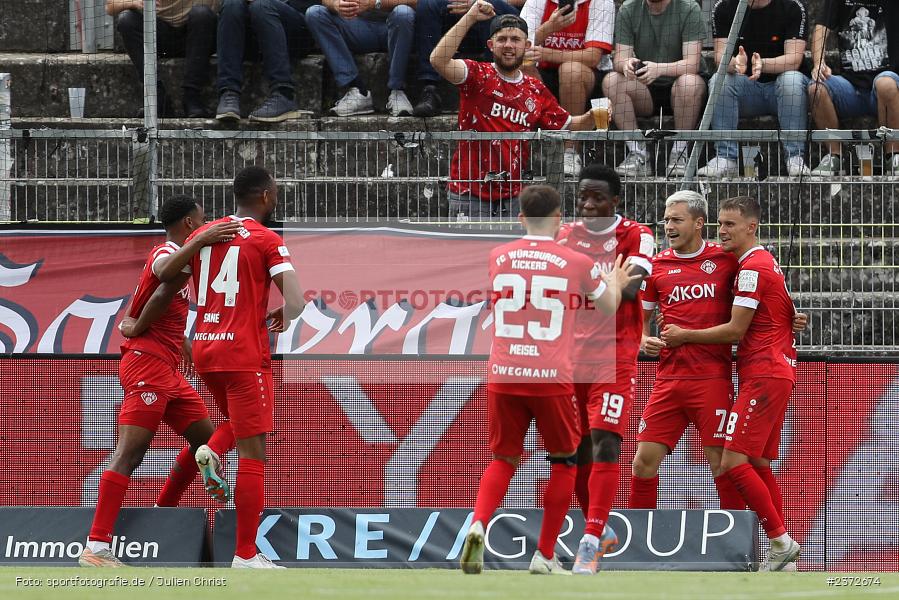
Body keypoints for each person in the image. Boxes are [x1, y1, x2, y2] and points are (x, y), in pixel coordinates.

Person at [459, 184, 635, 575]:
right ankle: (544, 554)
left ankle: (478, 524)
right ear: (559, 219)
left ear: (519, 217)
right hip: (551, 374)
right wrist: (616, 282)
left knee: (503, 457)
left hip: (502, 372)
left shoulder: (497, 255)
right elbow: (608, 307)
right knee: (565, 461)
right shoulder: (574, 261)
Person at [78, 196, 240, 568]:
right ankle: (96, 546)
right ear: (187, 224)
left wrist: (187, 351)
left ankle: (162, 511)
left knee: (207, 441)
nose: (206, 224)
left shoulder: (186, 265)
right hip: (146, 365)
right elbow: (163, 272)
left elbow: (166, 306)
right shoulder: (166, 251)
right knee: (130, 453)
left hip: (168, 369)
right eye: (201, 220)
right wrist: (202, 240)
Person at [661, 196, 806, 572]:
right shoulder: (764, 261)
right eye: (720, 224)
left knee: (732, 461)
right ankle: (783, 556)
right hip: (776, 371)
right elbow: (784, 311)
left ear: (750, 227)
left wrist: (685, 335)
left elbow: (736, 330)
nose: (721, 230)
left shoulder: (750, 269)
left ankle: (780, 542)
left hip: (763, 373)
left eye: (729, 224)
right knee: (756, 462)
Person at [179, 167, 304, 568]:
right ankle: (246, 555)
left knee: (236, 421)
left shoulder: (205, 233)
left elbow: (174, 281)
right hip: (243, 353)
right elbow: (297, 301)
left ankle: (212, 450)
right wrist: (286, 311)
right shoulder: (267, 239)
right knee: (254, 451)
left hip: (204, 349)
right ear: (267, 195)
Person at [555, 162, 653, 575]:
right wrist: (606, 282)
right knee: (575, 451)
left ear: (616, 201)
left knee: (605, 441)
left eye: (597, 197)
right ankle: (597, 529)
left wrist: (593, 283)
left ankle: (591, 540)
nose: (588, 204)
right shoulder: (565, 235)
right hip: (569, 356)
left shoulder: (638, 234)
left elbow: (631, 290)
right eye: (582, 196)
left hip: (615, 355)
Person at [430, 2, 600, 220]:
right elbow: (438, 60)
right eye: (502, 39)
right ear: (491, 45)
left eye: (515, 40)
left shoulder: (535, 89)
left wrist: (591, 117)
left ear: (527, 45)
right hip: (468, 190)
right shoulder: (476, 75)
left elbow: (570, 125)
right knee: (469, 254)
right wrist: (470, 17)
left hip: (512, 195)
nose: (508, 45)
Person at [629, 190, 743, 510]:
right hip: (669, 380)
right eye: (666, 220)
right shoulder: (657, 266)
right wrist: (642, 340)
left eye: (677, 220)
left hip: (711, 379)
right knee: (642, 463)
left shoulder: (726, 261)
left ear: (699, 223)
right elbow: (640, 319)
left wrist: (789, 316)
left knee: (721, 464)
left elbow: (753, 301)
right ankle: (639, 548)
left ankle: (739, 552)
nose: (669, 226)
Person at [699, 0, 812, 178]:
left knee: (792, 79)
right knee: (719, 80)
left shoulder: (792, 6)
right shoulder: (724, 7)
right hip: (746, 89)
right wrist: (734, 63)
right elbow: (720, 58)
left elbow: (794, 60)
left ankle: (795, 156)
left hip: (782, 91)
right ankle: (726, 157)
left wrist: (762, 64)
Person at [602, 0, 707, 177]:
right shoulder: (628, 8)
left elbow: (692, 64)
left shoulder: (689, 8)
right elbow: (619, 58)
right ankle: (638, 153)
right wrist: (626, 64)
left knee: (690, 83)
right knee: (611, 80)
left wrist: (659, 69)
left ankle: (679, 153)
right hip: (645, 86)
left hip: (682, 85)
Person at [520, 0, 615, 177]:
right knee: (522, 67)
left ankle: (570, 150)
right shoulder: (538, 2)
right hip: (546, 72)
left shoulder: (602, 2)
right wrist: (549, 27)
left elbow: (593, 57)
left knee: (570, 70)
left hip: (588, 76)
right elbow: (518, 43)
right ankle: (520, 148)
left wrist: (547, 53)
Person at [808, 0, 899, 176]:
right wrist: (819, 63)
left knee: (885, 84)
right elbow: (821, 27)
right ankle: (834, 156)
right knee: (816, 89)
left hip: (884, 83)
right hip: (849, 86)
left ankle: (893, 155)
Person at [412, 0, 524, 118]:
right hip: (451, 19)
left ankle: (496, 91)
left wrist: (478, 3)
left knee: (489, 7)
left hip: (493, 13)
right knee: (427, 4)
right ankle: (430, 89)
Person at [107, 0, 218, 117]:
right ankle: (157, 97)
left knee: (202, 14)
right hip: (159, 36)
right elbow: (110, 6)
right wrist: (133, 3)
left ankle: (192, 96)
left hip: (195, 35)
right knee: (126, 20)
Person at [305, 0, 416, 116]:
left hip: (396, 26)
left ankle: (397, 91)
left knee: (404, 12)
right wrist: (335, 4)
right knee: (315, 13)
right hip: (357, 27)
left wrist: (375, 3)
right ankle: (357, 91)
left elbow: (417, 2)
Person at [215, 0, 318, 123]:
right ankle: (229, 93)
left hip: (296, 29)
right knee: (231, 4)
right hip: (253, 33)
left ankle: (284, 94)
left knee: (261, 5)